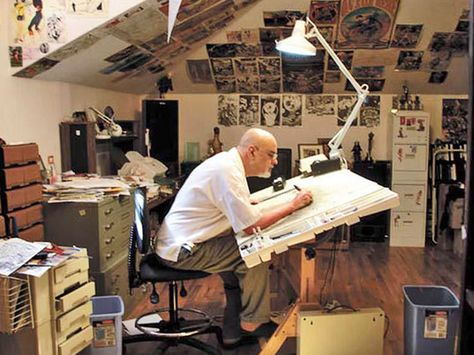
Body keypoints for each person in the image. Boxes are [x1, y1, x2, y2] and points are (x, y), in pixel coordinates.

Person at [155, 128, 313, 348]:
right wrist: (292, 206)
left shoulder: (227, 163)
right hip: (181, 251)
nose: (275, 161)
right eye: (271, 154)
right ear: (252, 152)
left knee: (241, 256)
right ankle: (252, 324)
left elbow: (234, 206)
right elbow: (250, 226)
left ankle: (233, 331)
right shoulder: (227, 171)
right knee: (256, 251)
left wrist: (252, 206)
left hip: (178, 243)